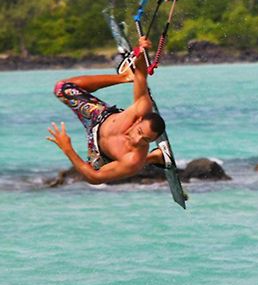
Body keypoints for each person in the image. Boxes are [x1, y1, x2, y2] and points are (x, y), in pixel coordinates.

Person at [47, 36, 172, 184]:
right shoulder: (141, 108)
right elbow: (140, 73)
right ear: (138, 120)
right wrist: (141, 52)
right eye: (139, 132)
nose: (137, 140)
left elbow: (95, 178)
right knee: (61, 88)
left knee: (91, 174)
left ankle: (154, 157)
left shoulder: (133, 160)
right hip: (99, 117)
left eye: (145, 140)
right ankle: (124, 77)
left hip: (99, 152)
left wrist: (67, 148)